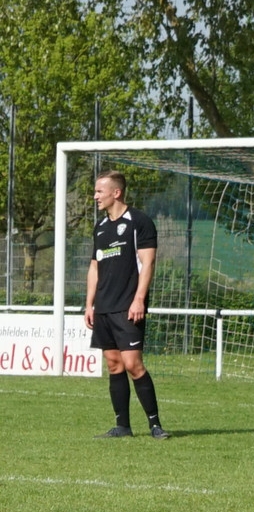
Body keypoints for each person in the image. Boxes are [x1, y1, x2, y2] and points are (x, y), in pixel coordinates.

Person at [85, 170, 169, 439]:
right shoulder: (100, 226)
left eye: (99, 191)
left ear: (116, 192)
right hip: (104, 307)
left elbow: (148, 262)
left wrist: (139, 299)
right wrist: (89, 304)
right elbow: (95, 266)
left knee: (133, 364)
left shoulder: (139, 222)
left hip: (128, 306)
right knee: (114, 364)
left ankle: (155, 425)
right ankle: (122, 426)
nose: (95, 196)